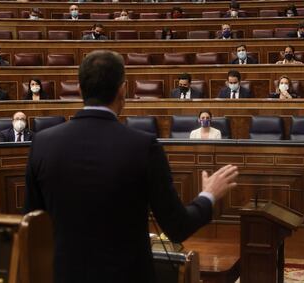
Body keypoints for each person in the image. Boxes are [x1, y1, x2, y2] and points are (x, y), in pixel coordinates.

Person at [24, 50, 238, 283]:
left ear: (79, 89)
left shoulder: (42, 143)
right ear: (122, 90)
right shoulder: (143, 146)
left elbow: (32, 225)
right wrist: (208, 195)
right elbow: (177, 227)